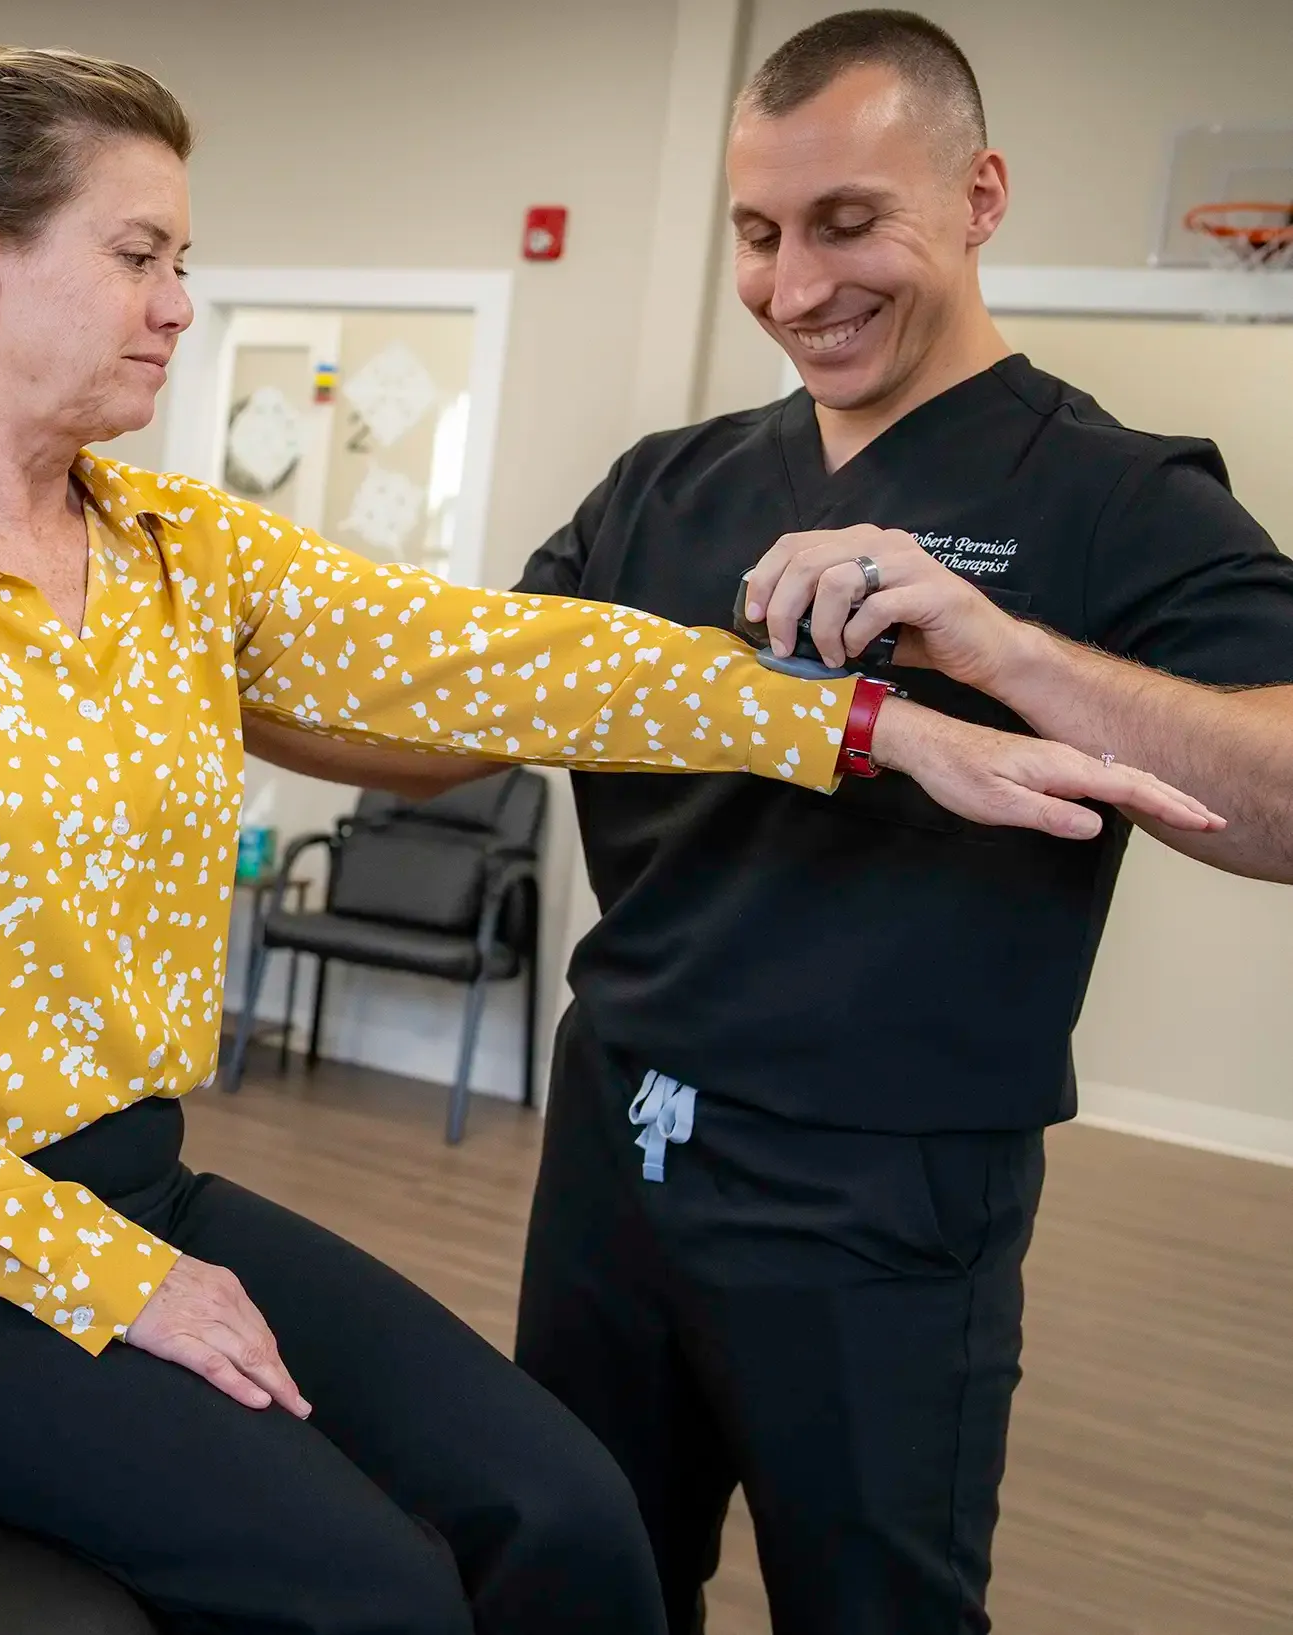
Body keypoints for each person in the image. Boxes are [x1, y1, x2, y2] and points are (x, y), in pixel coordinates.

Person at [0, 44, 1215, 1635]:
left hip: (129, 1180)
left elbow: (516, 656)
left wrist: (868, 724)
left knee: (567, 1508)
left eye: (180, 260)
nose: (179, 301)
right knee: (373, 1586)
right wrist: (121, 1282)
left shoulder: (176, 551)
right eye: (139, 256)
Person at [446, 12, 1293, 1634]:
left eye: (850, 222)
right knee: (579, 1574)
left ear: (979, 197)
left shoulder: (1117, 493)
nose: (793, 283)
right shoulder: (665, 484)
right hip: (618, 1141)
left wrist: (1012, 653)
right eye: (758, 234)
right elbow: (452, 709)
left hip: (879, 1195)